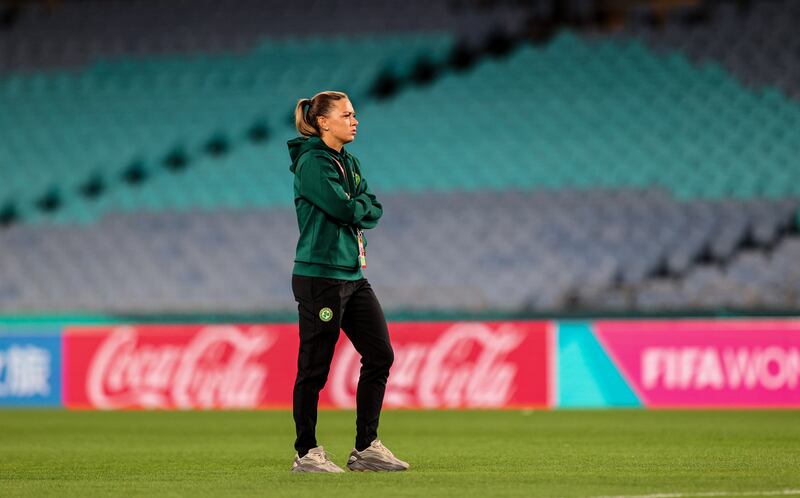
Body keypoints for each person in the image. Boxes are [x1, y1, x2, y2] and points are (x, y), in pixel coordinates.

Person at [287, 90, 409, 473]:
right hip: (320, 276)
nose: (355, 121)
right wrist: (357, 206)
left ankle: (366, 448)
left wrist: (357, 206)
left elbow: (374, 207)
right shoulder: (312, 163)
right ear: (323, 122)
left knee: (380, 355)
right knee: (314, 369)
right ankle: (306, 452)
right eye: (347, 115)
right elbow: (344, 208)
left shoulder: (349, 162)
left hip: (353, 276)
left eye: (354, 114)